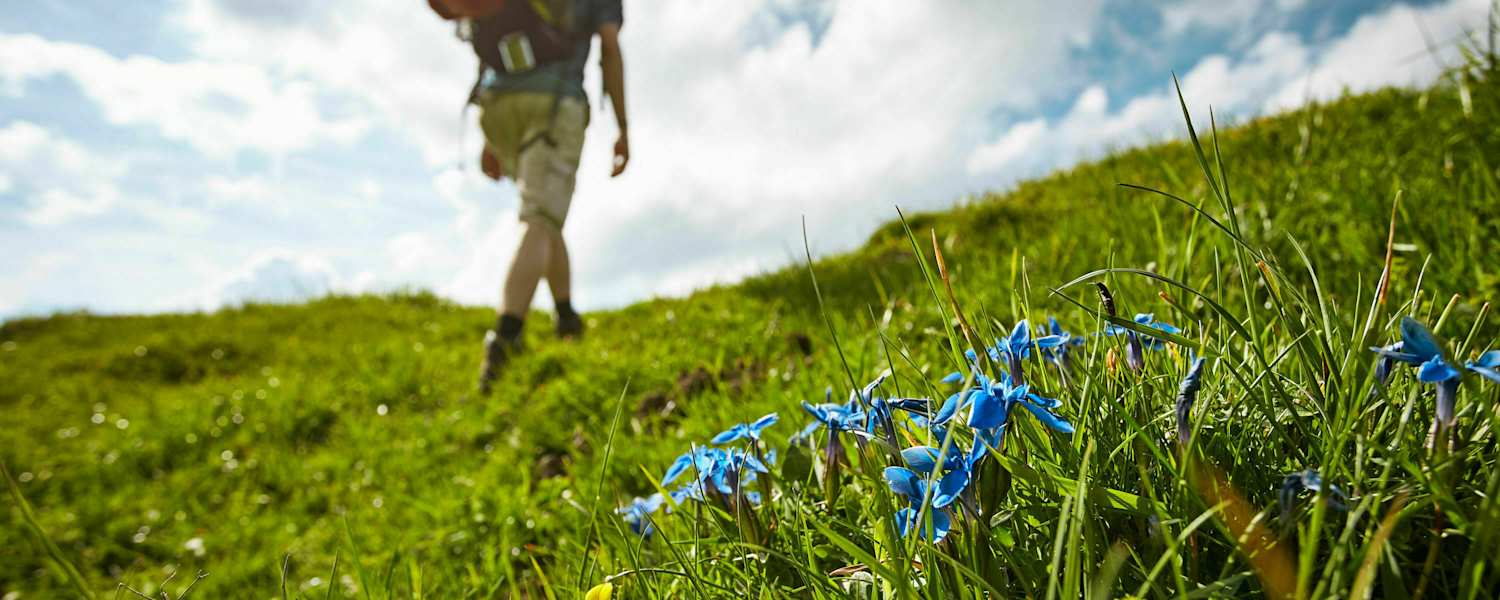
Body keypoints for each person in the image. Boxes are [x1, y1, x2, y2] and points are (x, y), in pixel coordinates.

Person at [430, 0, 628, 394]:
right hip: (553, 102)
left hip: (498, 106)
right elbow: (608, 48)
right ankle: (506, 337)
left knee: (546, 217)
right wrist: (623, 127)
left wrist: (491, 137)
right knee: (540, 219)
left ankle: (566, 317)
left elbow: (492, 47)